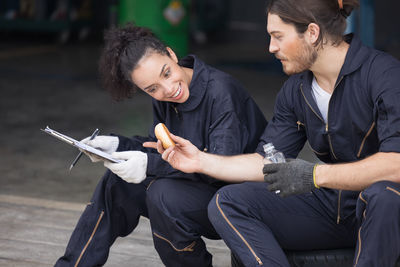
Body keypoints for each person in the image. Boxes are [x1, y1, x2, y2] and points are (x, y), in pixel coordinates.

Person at [154, 0, 400, 266]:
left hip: (384, 212)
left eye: (278, 36)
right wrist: (200, 161)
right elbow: (266, 162)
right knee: (228, 201)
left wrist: (314, 175)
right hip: (335, 207)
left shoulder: (384, 75)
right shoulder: (296, 91)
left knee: (384, 196)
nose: (271, 47)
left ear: (312, 33)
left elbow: (396, 164)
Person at [54, 23, 267, 267]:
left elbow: (217, 171)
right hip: (202, 191)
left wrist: (147, 164)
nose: (168, 89)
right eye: (152, 88)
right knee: (117, 181)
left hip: (238, 199)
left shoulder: (221, 92)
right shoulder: (164, 98)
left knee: (162, 195)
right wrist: (116, 145)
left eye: (166, 73)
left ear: (172, 54)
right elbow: (161, 150)